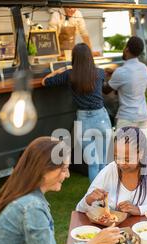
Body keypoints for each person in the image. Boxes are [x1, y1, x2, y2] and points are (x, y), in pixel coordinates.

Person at [42, 43, 112, 182]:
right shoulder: (100, 72)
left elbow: (45, 82)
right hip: (101, 118)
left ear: (74, 58)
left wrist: (62, 68)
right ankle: (105, 197)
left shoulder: (69, 74)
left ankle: (96, 197)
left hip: (84, 120)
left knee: (93, 163)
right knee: (103, 163)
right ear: (89, 57)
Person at [76, 126, 147, 216]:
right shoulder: (111, 169)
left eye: (127, 159)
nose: (121, 163)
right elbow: (79, 209)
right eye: (117, 157)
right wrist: (89, 200)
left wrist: (140, 210)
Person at [103, 36, 147, 133]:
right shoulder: (144, 68)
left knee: (123, 148)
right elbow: (131, 78)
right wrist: (114, 73)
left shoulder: (121, 72)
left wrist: (99, 77)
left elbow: (105, 90)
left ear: (127, 49)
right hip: (143, 116)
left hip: (127, 118)